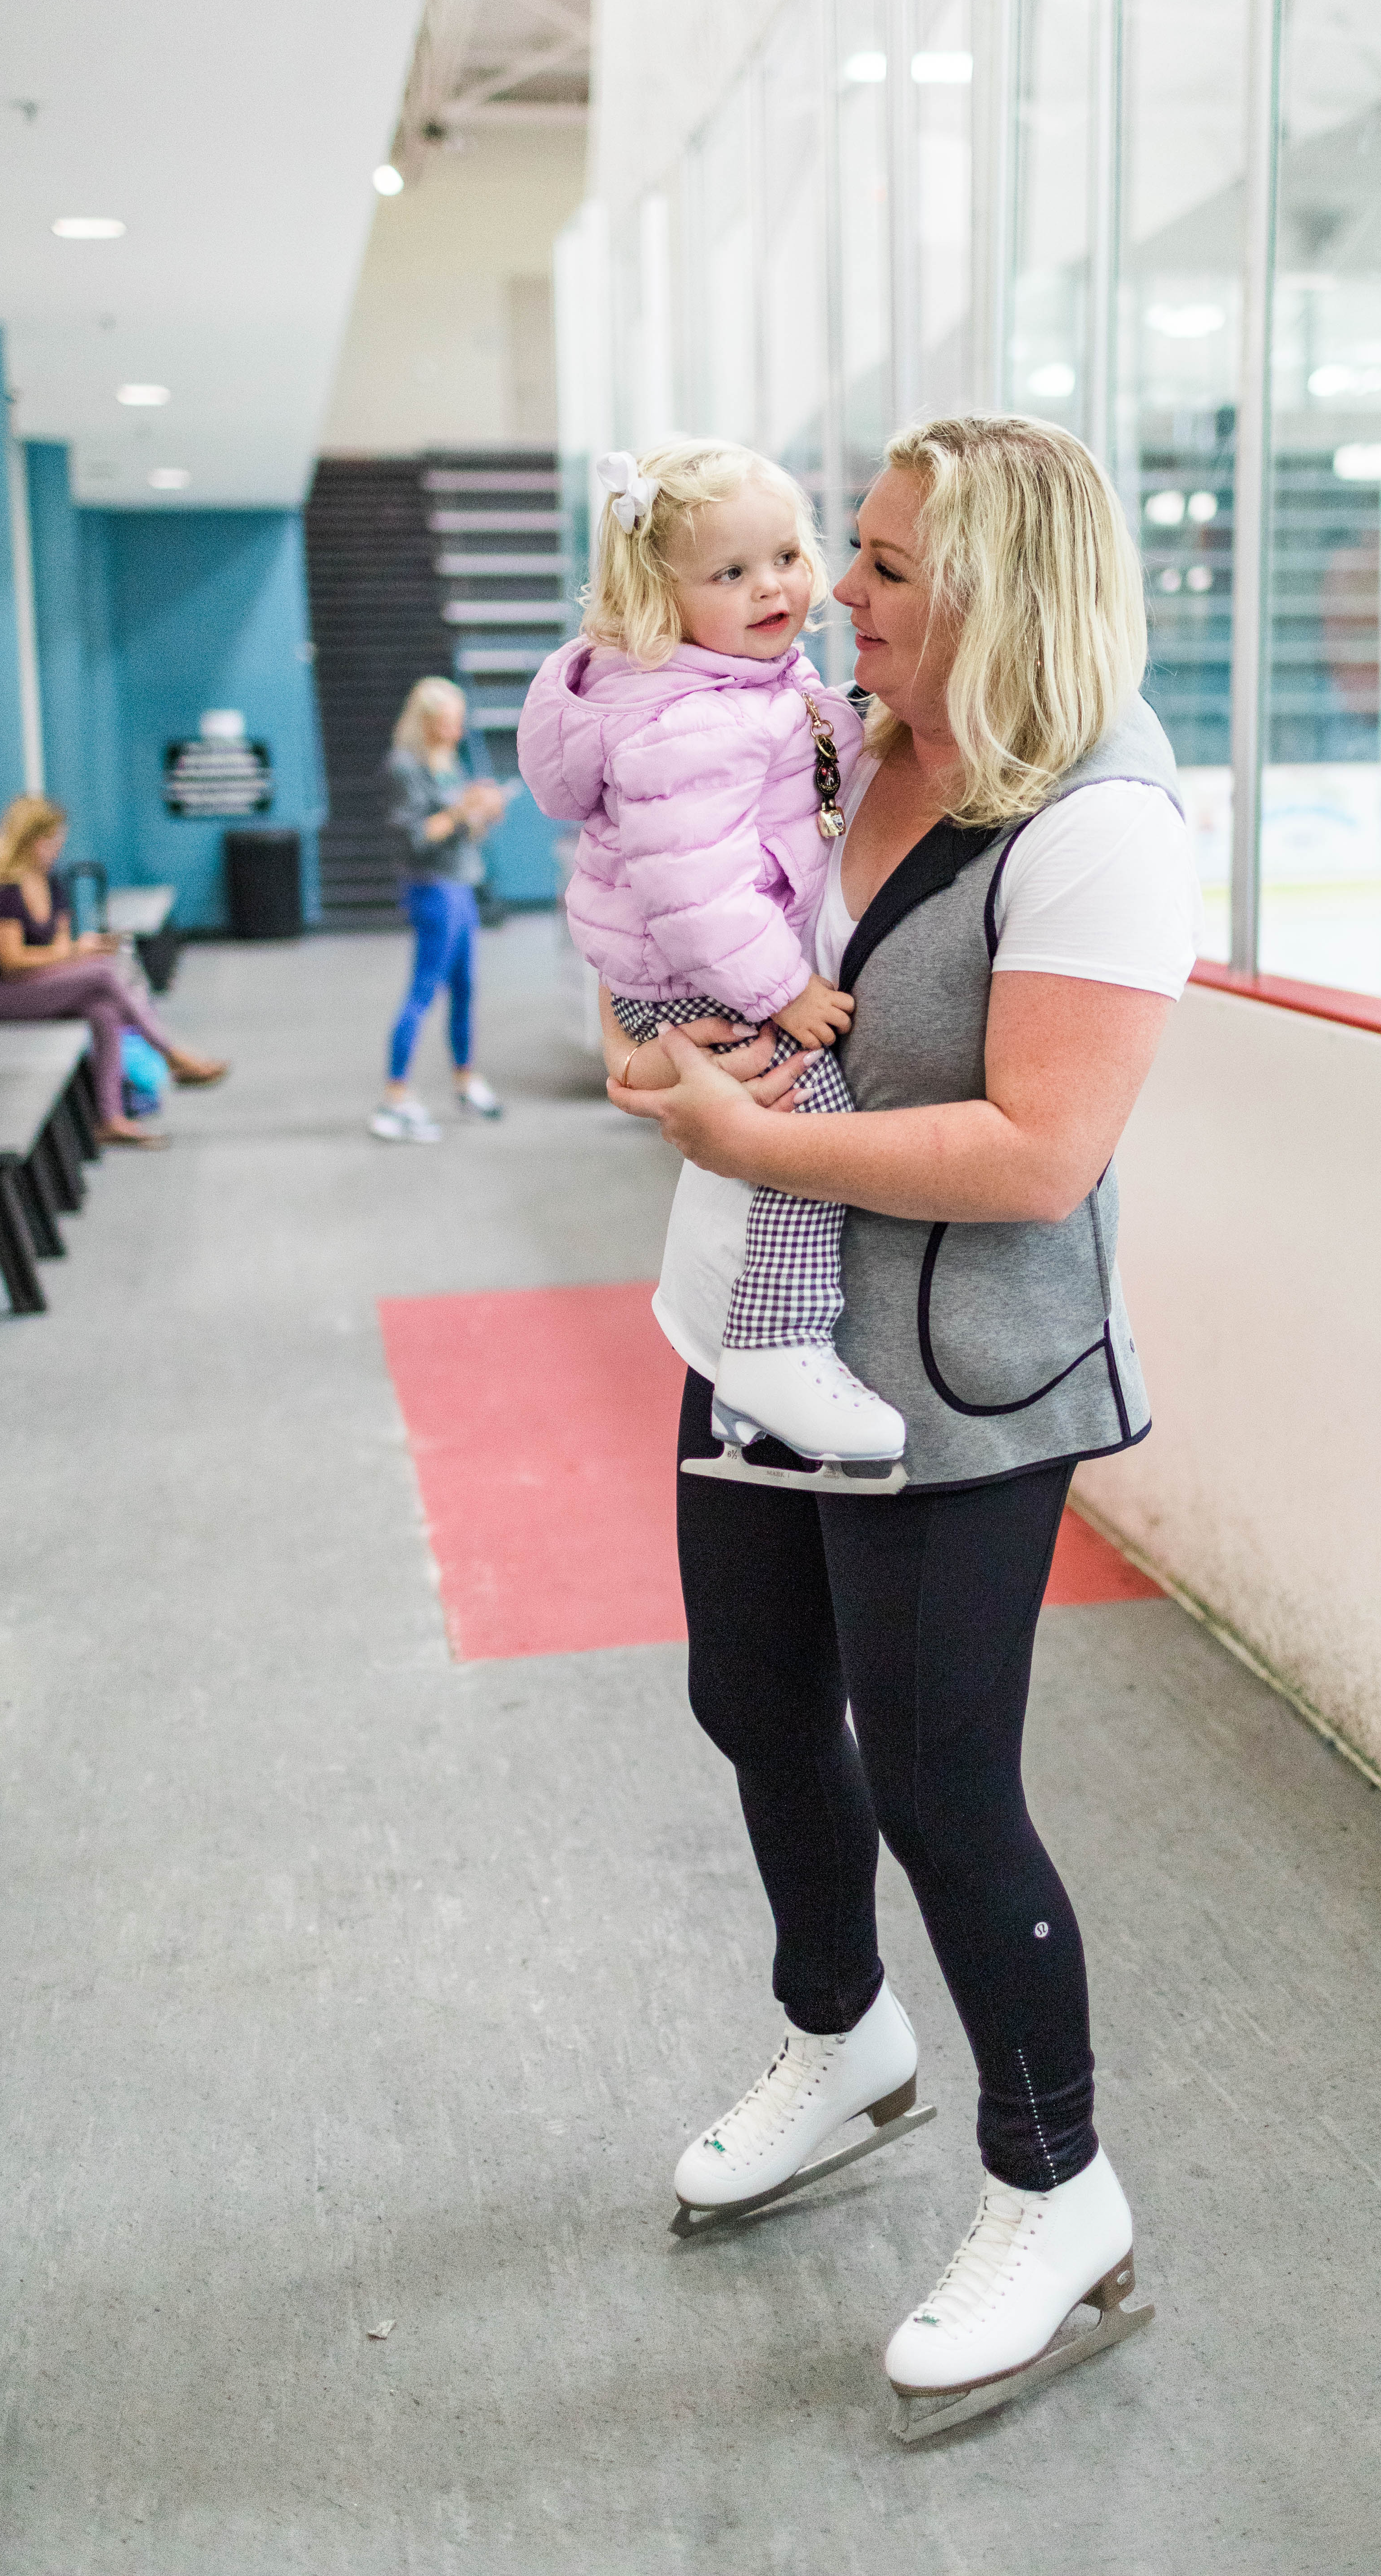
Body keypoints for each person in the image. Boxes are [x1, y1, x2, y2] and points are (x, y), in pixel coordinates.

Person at [603, 414, 1200, 2434]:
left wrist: (753, 1126)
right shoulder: (840, 737)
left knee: (946, 1782)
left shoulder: (1101, 819)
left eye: (877, 565)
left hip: (954, 1384)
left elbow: (1042, 1151)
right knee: (755, 1696)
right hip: (763, 1329)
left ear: (1001, 594)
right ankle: (841, 2033)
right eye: (841, 551)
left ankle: (1058, 2182)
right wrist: (679, 1039)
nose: (828, 595)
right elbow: (720, 923)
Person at [518, 442, 902, 1474]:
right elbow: (696, 895)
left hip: (674, 973)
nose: (772, 586)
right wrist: (787, 991)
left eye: (784, 554)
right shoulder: (692, 721)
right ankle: (775, 1347)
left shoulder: (737, 676)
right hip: (702, 973)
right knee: (810, 1122)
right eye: (730, 574)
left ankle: (765, 1356)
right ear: (661, 596)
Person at [0, 794, 228, 1148]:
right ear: (28, 841)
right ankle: (171, 1054)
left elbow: (56, 953)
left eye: (58, 840)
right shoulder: (3, 893)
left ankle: (111, 1119)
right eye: (50, 841)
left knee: (102, 1009)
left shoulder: (52, 885)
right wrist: (76, 951)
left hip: (37, 987)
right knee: (103, 975)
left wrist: (84, 950)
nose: (56, 849)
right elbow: (12, 963)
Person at [369, 678, 508, 1144]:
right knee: (423, 990)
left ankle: (466, 1081)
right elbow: (415, 838)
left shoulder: (448, 762)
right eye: (448, 721)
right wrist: (462, 811)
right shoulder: (405, 767)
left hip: (460, 884)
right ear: (426, 721)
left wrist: (482, 812)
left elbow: (460, 830)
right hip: (433, 890)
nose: (457, 729)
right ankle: (394, 1097)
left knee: (466, 988)